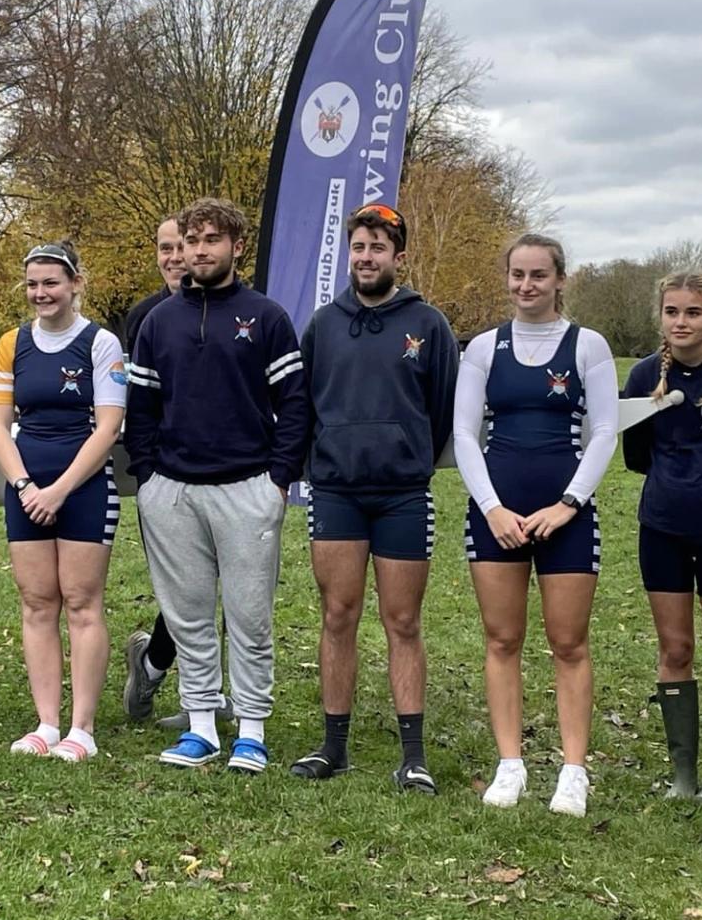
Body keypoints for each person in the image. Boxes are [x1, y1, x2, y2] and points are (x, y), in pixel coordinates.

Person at [125, 196, 310, 774]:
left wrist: (277, 480)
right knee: (188, 616)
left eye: (211, 240)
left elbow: (296, 404)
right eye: (190, 241)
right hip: (173, 491)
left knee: (250, 618)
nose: (199, 251)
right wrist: (150, 478)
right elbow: (142, 407)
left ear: (234, 246)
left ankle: (251, 730)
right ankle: (201, 727)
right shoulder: (159, 321)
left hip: (248, 487)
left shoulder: (268, 316)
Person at [287, 204, 457, 793]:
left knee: (403, 620)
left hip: (404, 494)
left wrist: (405, 454)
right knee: (338, 615)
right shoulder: (323, 324)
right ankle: (333, 745)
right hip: (335, 491)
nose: (367, 258)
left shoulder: (429, 326)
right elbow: (304, 404)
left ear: (398, 257)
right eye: (359, 247)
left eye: (378, 248)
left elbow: (441, 414)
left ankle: (413, 756)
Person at [453, 233, 618, 816]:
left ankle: (573, 771)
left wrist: (568, 504)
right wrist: (493, 508)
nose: (527, 286)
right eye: (517, 275)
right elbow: (466, 436)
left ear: (560, 280)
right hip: (497, 513)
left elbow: (604, 433)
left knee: (568, 643)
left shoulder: (588, 346)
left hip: (564, 515)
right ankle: (510, 764)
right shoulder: (482, 349)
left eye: (539, 276)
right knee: (502, 640)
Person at [0, 242, 127, 760]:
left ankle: (82, 728)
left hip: (82, 487)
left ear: (74, 284)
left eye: (51, 282)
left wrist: (60, 489)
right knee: (36, 603)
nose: (41, 293)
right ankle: (46, 724)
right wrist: (25, 486)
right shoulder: (11, 344)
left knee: (83, 602)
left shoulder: (100, 342)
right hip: (26, 488)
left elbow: (109, 426)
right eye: (32, 284)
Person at [621, 271, 702, 802]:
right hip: (663, 529)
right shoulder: (643, 376)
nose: (681, 322)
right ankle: (683, 774)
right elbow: (634, 457)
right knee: (675, 648)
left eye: (693, 312)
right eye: (672, 312)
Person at [119, 216, 197, 728]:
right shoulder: (144, 316)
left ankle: (194, 695)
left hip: (228, 472)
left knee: (225, 591)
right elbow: (135, 402)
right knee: (183, 587)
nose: (174, 258)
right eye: (164, 248)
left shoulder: (240, 309)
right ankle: (152, 669)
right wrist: (146, 469)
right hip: (164, 475)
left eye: (183, 247)